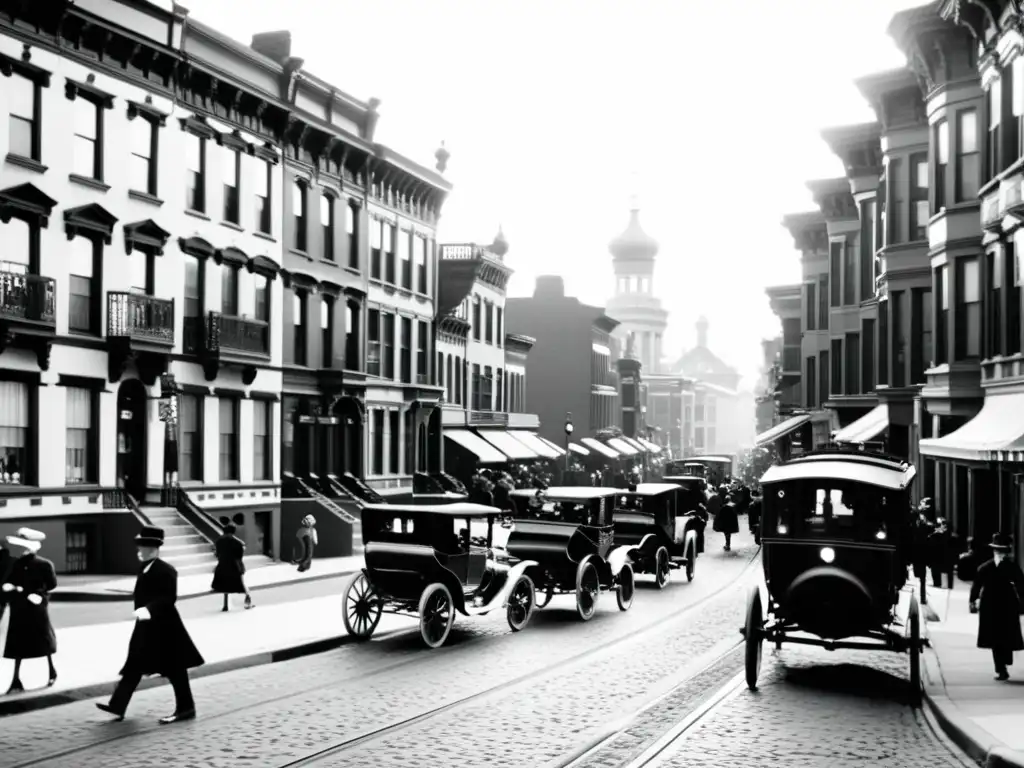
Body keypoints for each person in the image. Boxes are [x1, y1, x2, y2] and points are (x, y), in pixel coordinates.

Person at [96, 525, 204, 723]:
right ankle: (117, 705)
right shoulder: (144, 568)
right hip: (146, 626)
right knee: (134, 665)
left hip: (165, 628)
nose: (139, 550)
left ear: (152, 548)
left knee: (175, 670)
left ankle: (186, 708)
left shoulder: (166, 570)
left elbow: (169, 598)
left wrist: (149, 609)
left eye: (142, 547)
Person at [2, 528, 57, 694]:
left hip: (33, 606)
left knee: (41, 639)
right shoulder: (19, 564)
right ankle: (17, 678)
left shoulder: (43, 564)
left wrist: (38, 594)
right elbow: (10, 580)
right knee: (20, 642)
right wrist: (10, 587)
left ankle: (50, 671)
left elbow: (51, 585)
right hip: (22, 606)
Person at [969, 533, 1024, 681]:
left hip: (1007, 604)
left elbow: (1021, 584)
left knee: (1006, 636)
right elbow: (976, 585)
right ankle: (1001, 669)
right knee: (995, 638)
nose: (1000, 553)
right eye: (997, 550)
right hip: (990, 605)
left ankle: (1004, 662)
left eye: (1003, 550)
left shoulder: (1012, 567)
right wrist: (972, 600)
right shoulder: (985, 568)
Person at [211, 524, 252, 611]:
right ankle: (248, 602)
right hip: (235, 566)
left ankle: (225, 605)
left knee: (225, 586)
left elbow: (217, 554)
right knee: (242, 585)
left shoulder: (219, 541)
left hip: (222, 565)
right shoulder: (238, 543)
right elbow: (240, 556)